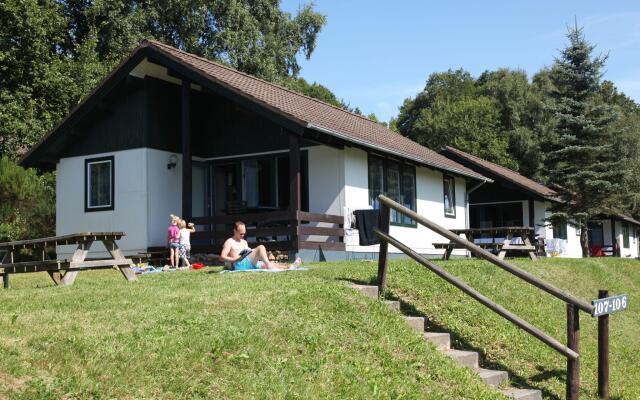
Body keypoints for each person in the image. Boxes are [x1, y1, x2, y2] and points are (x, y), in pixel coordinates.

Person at [219, 221, 302, 270]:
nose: (243, 235)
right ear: (234, 231)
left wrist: (250, 251)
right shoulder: (229, 242)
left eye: (244, 233)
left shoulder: (244, 241)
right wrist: (234, 259)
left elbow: (247, 252)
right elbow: (221, 257)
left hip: (248, 262)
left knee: (268, 263)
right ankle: (269, 266)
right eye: (241, 234)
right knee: (261, 247)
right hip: (239, 264)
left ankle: (289, 267)